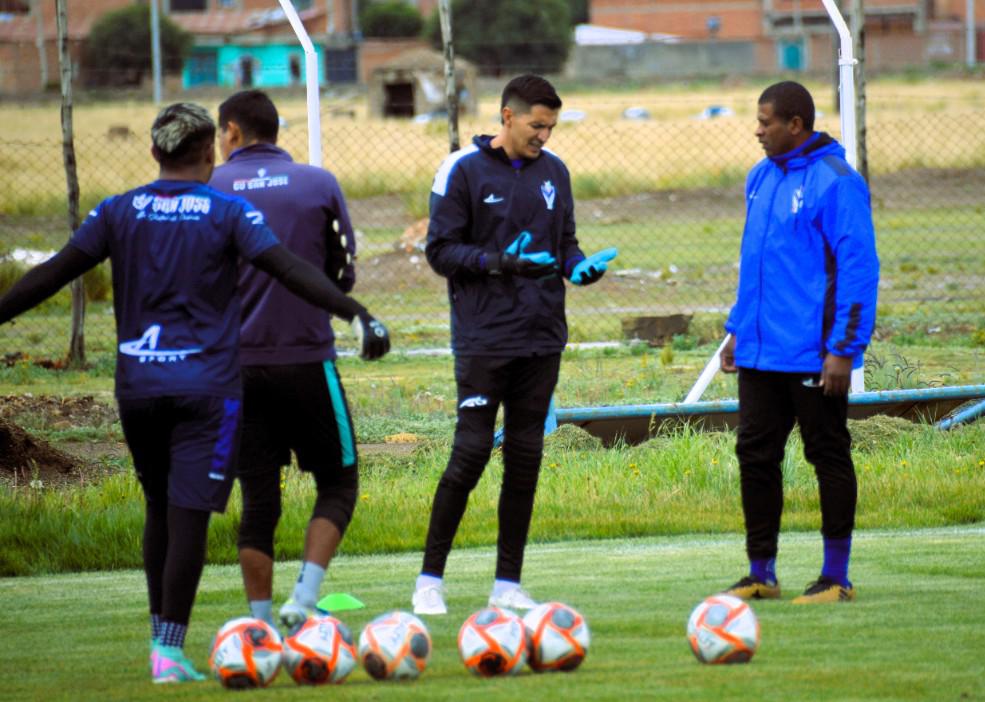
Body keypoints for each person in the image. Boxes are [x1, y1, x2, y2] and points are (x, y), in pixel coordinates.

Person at [0, 103, 389, 683]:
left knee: (158, 507)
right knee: (187, 517)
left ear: (155, 153)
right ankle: (168, 654)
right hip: (207, 390)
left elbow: (53, 272)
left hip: (138, 387)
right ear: (210, 153)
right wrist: (354, 312)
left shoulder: (118, 210)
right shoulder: (227, 211)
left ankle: (165, 644)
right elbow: (287, 268)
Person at [412, 74, 617, 616]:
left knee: (525, 457)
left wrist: (581, 268)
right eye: (536, 125)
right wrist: (502, 263)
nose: (544, 136)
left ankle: (508, 584)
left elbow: (565, 243)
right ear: (507, 116)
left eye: (550, 127)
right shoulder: (462, 170)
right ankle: (429, 579)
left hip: (542, 338)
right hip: (484, 339)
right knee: (471, 454)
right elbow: (440, 252)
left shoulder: (555, 173)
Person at [208, 89, 364, 633]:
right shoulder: (318, 182)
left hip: (237, 368)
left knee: (258, 498)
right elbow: (344, 270)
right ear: (276, 131)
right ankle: (304, 597)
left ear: (231, 132)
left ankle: (259, 623)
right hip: (306, 356)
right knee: (340, 483)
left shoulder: (211, 187)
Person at [719, 81, 879, 604]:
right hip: (761, 352)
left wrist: (843, 350)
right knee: (754, 455)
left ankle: (837, 577)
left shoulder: (838, 182)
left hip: (815, 354)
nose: (757, 130)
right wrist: (737, 330)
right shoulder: (760, 178)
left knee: (827, 454)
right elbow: (757, 265)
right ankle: (760, 572)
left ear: (795, 125)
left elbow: (858, 269)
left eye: (766, 121)